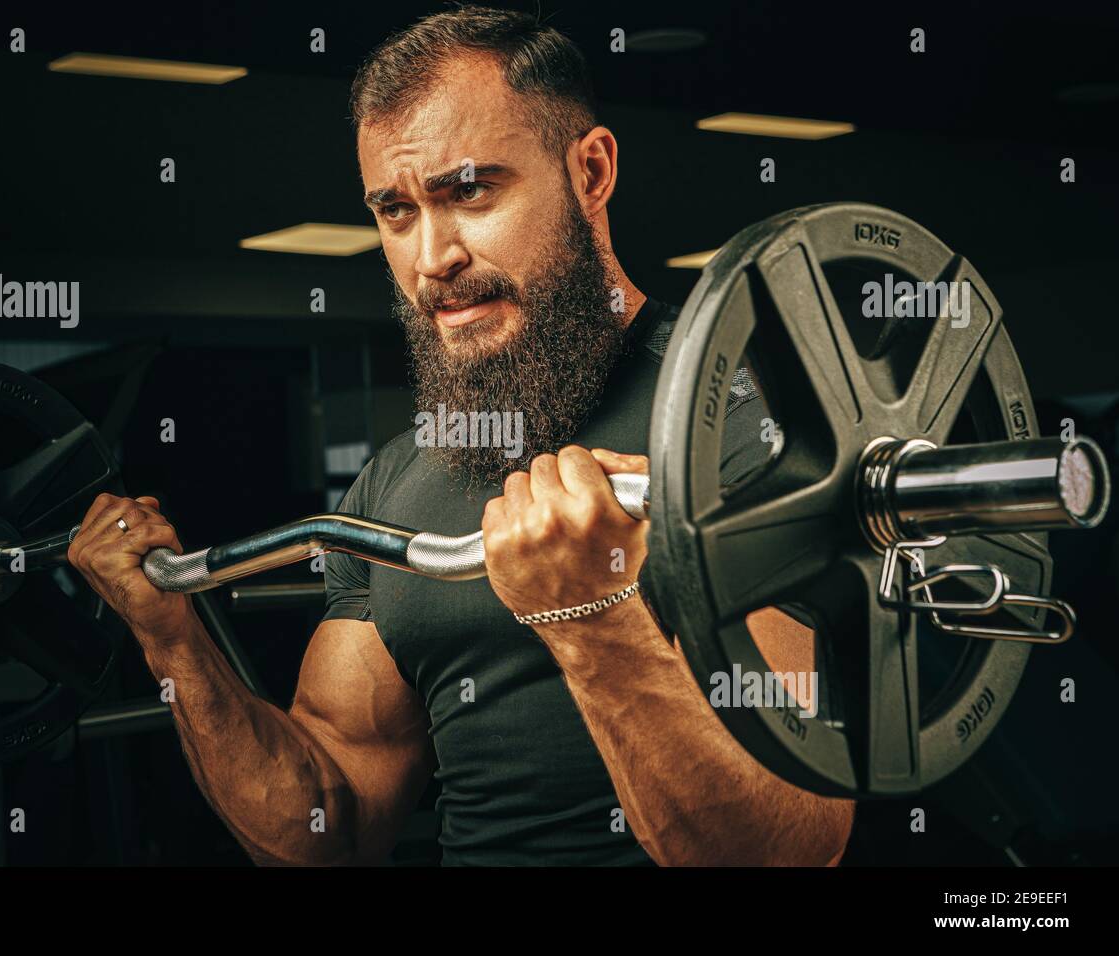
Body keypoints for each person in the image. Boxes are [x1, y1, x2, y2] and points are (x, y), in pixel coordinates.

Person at [69, 5, 854, 866]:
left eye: (469, 191)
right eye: (396, 211)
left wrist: (591, 614)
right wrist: (173, 638)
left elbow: (791, 847)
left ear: (591, 171)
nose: (432, 255)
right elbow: (328, 823)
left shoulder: (752, 422)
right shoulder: (399, 483)